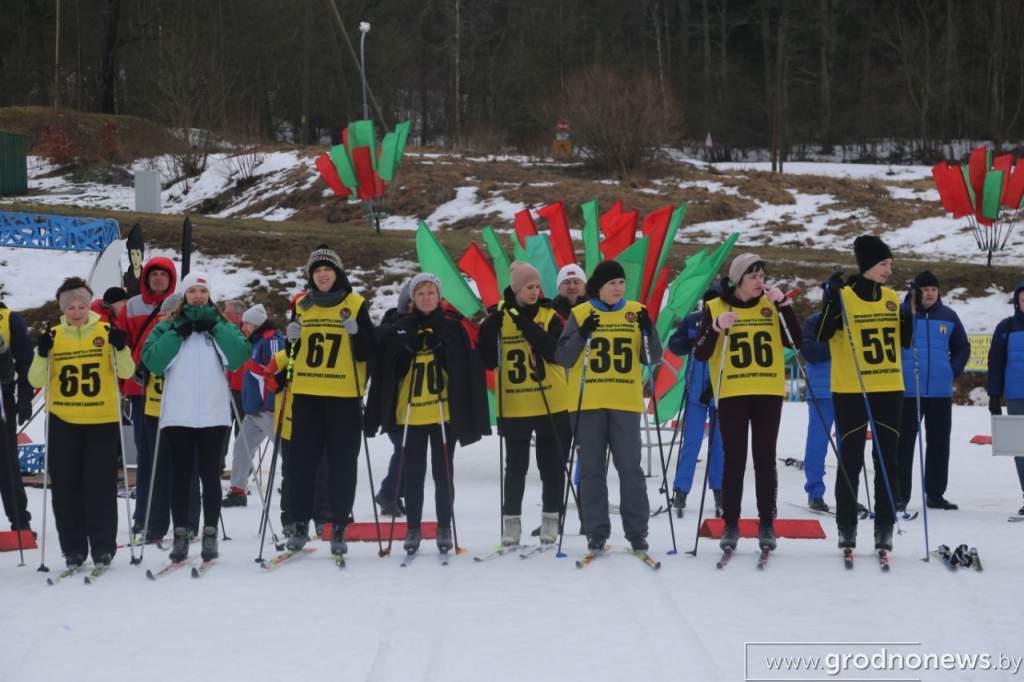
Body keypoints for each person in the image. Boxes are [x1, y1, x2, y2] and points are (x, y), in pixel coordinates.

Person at [365, 273, 490, 554]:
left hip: (443, 413)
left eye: (430, 292)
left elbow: (466, 367)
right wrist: (406, 351)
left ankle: (444, 526)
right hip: (410, 414)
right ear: (412, 299)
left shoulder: (452, 328)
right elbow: (385, 369)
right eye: (419, 293)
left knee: (443, 473)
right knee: (413, 473)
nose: (425, 298)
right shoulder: (400, 326)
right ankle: (413, 528)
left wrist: (443, 352)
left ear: (439, 296)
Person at [693, 254, 801, 554]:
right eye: (753, 276)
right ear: (738, 280)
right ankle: (731, 523)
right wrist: (715, 327)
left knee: (765, 459)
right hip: (732, 393)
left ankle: (767, 523)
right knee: (734, 459)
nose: (760, 281)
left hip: (767, 392)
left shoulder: (771, 305)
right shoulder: (716, 306)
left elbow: (795, 342)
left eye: (762, 275)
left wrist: (786, 307)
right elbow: (699, 353)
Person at [554, 259, 662, 553]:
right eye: (612, 283)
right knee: (591, 470)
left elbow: (652, 358)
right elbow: (562, 358)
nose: (618, 288)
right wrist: (581, 334)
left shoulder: (636, 312)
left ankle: (637, 531)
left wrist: (648, 330)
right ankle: (596, 530)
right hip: (587, 402)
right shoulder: (580, 313)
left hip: (624, 402)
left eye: (621, 283)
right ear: (598, 288)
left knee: (630, 468)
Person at [142, 272, 250, 563]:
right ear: (184, 295)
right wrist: (179, 331)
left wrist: (216, 327)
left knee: (210, 477)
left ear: (210, 295)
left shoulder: (221, 325)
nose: (198, 296)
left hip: (213, 415)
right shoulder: (168, 325)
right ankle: (181, 534)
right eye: (192, 291)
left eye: (203, 290)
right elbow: (152, 361)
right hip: (178, 414)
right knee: (180, 477)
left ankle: (210, 532)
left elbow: (240, 355)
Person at [28, 277, 135, 568]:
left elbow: (127, 371)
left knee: (99, 486)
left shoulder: (105, 329)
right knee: (65, 487)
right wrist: (41, 353)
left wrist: (121, 347)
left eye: (81, 306)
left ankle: (103, 547)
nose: (76, 312)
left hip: (101, 418)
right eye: (70, 307)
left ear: (89, 306)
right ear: (63, 309)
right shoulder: (54, 334)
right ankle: (73, 548)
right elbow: (35, 380)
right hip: (64, 419)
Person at [815, 236, 912, 554]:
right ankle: (847, 526)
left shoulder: (890, 297)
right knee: (850, 459)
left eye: (890, 264)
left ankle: (884, 526)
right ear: (868, 265)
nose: (889, 270)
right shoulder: (843, 297)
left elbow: (905, 341)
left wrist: (908, 314)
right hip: (851, 388)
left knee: (887, 460)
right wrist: (829, 301)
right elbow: (821, 335)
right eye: (884, 264)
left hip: (889, 386)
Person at [282, 245, 375, 557]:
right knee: (300, 464)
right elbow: (293, 357)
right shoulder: (303, 305)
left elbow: (369, 352)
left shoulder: (355, 304)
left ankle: (338, 526)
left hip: (344, 398)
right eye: (317, 270)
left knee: (342, 465)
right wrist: (290, 340)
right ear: (311, 275)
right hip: (307, 395)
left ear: (338, 273)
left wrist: (358, 334)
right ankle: (298, 525)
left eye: (328, 269)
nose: (322, 274)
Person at [479, 262, 569, 546]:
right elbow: (488, 360)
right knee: (515, 466)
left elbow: (556, 353)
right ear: (516, 289)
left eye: (536, 287)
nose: (534, 292)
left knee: (551, 465)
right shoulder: (500, 318)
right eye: (528, 287)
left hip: (550, 401)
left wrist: (524, 323)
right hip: (515, 404)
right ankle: (511, 522)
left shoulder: (550, 315)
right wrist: (485, 328)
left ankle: (551, 519)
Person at [116, 257, 178, 536]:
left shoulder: (180, 304)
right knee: (147, 455)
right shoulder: (131, 306)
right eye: (153, 275)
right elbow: (120, 345)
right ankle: (143, 515)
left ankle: (178, 516)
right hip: (139, 390)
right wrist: (123, 378)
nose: (157, 279)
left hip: (174, 391)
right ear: (146, 278)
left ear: (171, 279)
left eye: (163, 276)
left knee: (175, 455)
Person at [897, 271, 969, 511]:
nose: (929, 293)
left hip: (939, 392)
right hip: (907, 392)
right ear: (915, 291)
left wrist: (951, 369)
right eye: (925, 289)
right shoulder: (903, 314)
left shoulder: (949, 316)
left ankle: (935, 494)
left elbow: (962, 347)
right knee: (903, 445)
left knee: (939, 444)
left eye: (933, 289)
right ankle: (900, 495)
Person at [667, 288, 724, 518]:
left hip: (721, 394)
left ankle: (719, 490)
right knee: (691, 442)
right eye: (708, 303)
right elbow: (675, 344)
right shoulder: (694, 320)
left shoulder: (730, 320)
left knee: (720, 445)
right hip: (695, 394)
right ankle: (681, 490)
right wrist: (691, 340)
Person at [223, 304, 284, 507]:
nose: (244, 327)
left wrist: (272, 404)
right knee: (242, 447)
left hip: (267, 409)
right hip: (255, 410)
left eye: (246, 324)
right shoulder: (256, 341)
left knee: (286, 449)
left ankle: (299, 483)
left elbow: (278, 372)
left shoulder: (271, 340)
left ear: (256, 323)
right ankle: (238, 490)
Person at [374, 281, 412, 517]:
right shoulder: (391, 328)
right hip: (394, 402)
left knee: (409, 451)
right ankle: (389, 493)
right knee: (404, 449)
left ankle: (393, 493)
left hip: (416, 401)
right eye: (409, 302)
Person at [986, 282, 1024, 518]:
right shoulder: (1006, 327)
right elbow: (996, 364)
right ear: (1017, 302)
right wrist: (994, 395)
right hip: (1015, 396)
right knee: (1020, 449)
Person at [0, 291, 34, 534]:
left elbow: (25, 362)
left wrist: (24, 396)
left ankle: (20, 522)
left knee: (6, 464)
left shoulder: (10, 319)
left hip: (2, 400)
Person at [800, 309, 834, 513]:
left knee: (850, 448)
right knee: (817, 444)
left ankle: (848, 492)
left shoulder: (854, 318)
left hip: (851, 389)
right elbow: (810, 353)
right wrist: (839, 345)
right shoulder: (814, 321)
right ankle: (815, 492)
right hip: (822, 391)